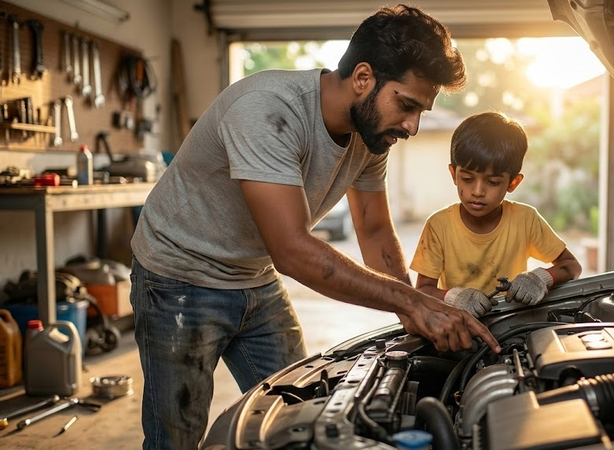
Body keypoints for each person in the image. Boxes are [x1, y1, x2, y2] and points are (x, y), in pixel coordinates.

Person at [128, 5, 499, 449]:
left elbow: (373, 228)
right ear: (363, 77)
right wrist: (413, 302)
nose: (413, 126)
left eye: (421, 110)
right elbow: (292, 250)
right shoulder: (267, 110)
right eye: (406, 105)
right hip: (178, 277)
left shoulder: (371, 136)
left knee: (297, 414)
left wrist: (411, 309)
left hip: (254, 274)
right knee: (176, 437)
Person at [410, 111, 582, 317]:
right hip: (459, 327)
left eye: (492, 182)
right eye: (467, 179)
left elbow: (571, 266)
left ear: (513, 183)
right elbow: (423, 291)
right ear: (453, 174)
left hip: (511, 326)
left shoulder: (525, 219)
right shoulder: (439, 225)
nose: (477, 191)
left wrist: (539, 279)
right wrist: (455, 297)